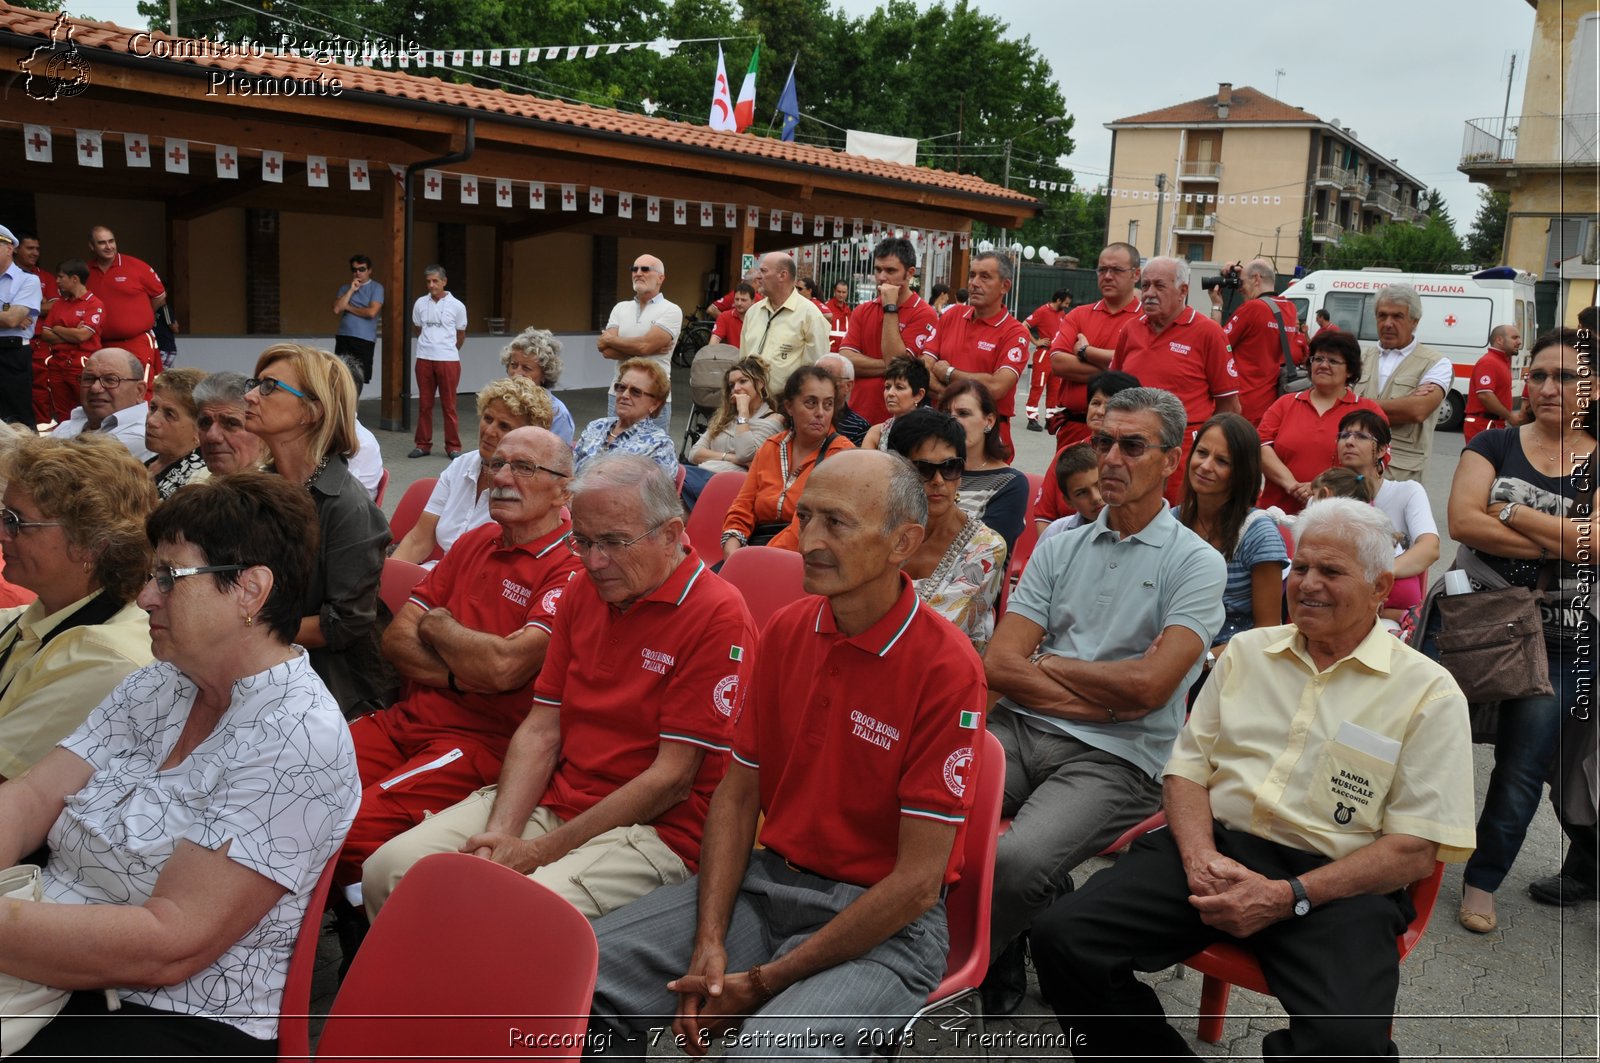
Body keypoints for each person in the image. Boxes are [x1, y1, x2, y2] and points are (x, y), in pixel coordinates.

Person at [1029, 497, 1476, 1061]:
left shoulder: (1429, 693)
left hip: (1337, 883)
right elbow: (1187, 772)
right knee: (1065, 939)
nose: (1307, 585)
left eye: (1331, 572)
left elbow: (1414, 851)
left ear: (1381, 587)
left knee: (1347, 1046)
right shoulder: (1245, 653)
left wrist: (1287, 896)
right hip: (1214, 850)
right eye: (1302, 568)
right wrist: (1198, 858)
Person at [586, 450, 986, 1057]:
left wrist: (763, 984)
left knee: (770, 1051)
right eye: (806, 517)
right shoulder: (788, 629)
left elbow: (916, 886)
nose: (810, 541)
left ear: (904, 541)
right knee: (581, 980)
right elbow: (738, 793)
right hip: (767, 884)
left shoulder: (947, 669)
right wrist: (709, 940)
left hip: (883, 924)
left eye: (837, 523)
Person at [0, 472, 359, 1056]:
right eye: (151, 574)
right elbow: (33, 796)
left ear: (250, 591)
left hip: (176, 1016)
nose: (145, 596)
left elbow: (168, 944)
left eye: (169, 577)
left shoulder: (296, 740)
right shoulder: (162, 682)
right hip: (55, 951)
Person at [362, 454, 755, 925]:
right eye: (583, 541)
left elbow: (671, 780)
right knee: (386, 871)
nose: (594, 561)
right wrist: (501, 838)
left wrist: (537, 852)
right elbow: (541, 729)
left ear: (671, 534)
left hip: (656, 829)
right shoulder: (583, 589)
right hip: (560, 796)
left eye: (613, 542)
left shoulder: (718, 615)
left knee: (503, 916)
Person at [979, 386, 1225, 1017]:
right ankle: (1006, 929)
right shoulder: (1061, 542)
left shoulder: (1196, 563)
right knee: (921, 803)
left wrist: (1051, 663)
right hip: (1025, 728)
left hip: (1117, 757)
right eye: (1103, 442)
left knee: (1016, 862)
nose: (1111, 458)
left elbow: (1151, 689)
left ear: (1173, 459)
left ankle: (967, 953)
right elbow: (1000, 661)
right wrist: (1099, 694)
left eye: (1132, 445)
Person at [336, 427, 583, 900]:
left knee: (347, 827)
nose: (502, 478)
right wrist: (460, 674)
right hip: (404, 721)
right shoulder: (478, 540)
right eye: (497, 464)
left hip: (476, 745)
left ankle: (362, 941)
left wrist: (440, 626)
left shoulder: (569, 569)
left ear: (563, 489)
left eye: (524, 468)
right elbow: (396, 640)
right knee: (293, 780)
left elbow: (504, 670)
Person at [1428, 327, 1595, 931]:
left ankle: (1482, 880)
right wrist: (1563, 538)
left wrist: (1512, 510)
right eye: (1540, 375)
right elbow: (1462, 522)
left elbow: (1598, 545)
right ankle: (1399, 857)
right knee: (1426, 743)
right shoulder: (1494, 443)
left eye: (1567, 376)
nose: (1550, 387)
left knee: (1523, 766)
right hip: (1477, 618)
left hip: (1561, 639)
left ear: (1594, 386)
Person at [245, 343, 391, 717]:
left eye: (268, 387)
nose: (249, 396)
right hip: (256, 660)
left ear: (312, 411)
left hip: (325, 683)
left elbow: (342, 625)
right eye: (254, 383)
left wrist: (243, 630)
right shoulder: (257, 487)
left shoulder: (348, 507)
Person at [0, 433, 155, 781]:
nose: (2, 534)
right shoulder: (49, 612)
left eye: (16, 521)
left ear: (91, 546)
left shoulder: (104, 656)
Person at [1111, 257, 1240, 502]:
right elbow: (1113, 392)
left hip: (1181, 457)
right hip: (1131, 450)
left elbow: (1229, 408)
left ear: (1183, 291)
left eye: (1159, 286)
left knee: (1179, 525)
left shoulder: (1208, 333)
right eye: (1146, 285)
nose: (1149, 293)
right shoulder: (1130, 330)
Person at [391, 377, 556, 566]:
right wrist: (386, 581)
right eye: (487, 418)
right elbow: (419, 540)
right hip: (435, 578)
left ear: (528, 437)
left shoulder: (528, 487)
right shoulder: (460, 465)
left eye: (504, 426)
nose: (489, 431)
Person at [886, 408, 1006, 653]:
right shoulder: (878, 526)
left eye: (950, 467)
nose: (939, 480)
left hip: (944, 671)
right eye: (924, 469)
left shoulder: (985, 547)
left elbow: (939, 632)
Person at [1174, 412, 1289, 655]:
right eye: (1202, 453)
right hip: (1169, 650)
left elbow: (1266, 633)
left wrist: (1201, 662)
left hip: (1230, 665)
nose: (1205, 466)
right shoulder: (1171, 521)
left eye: (1222, 461)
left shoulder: (1259, 533)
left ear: (1241, 472)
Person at [721, 364, 855, 556]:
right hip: (752, 547)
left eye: (828, 404)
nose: (820, 413)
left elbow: (808, 525)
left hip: (806, 556)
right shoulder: (771, 447)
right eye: (810, 403)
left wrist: (756, 560)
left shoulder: (842, 456)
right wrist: (732, 548)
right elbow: (742, 506)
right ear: (789, 407)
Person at [1258, 329, 1388, 516]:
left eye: (1333, 361)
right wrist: (1292, 485)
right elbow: (1261, 446)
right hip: (1277, 514)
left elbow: (1378, 462)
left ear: (1350, 370)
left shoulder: (1368, 411)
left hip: (1337, 518)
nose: (1323, 365)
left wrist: (1319, 487)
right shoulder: (1286, 404)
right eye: (1318, 359)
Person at [920, 251, 1031, 454]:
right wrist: (951, 397)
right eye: (972, 275)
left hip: (987, 439)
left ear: (1005, 286)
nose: (974, 283)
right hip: (940, 430)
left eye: (985, 276)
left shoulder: (1015, 332)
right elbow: (923, 367)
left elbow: (997, 386)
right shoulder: (951, 315)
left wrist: (948, 373)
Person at [1336, 409, 1439, 623]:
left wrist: (1374, 577)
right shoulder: (1325, 496)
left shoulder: (1407, 491)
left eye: (1361, 436)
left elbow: (1429, 548)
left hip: (1388, 606)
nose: (1349, 441)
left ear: (1382, 449)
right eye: (1344, 436)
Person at [1352, 284, 1452, 483]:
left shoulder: (1437, 363)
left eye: (1397, 316)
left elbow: (1417, 410)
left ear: (1414, 321)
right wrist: (1400, 405)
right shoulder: (1359, 357)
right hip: (1354, 471)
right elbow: (1333, 401)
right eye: (1382, 315)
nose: (1388, 323)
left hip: (1400, 474)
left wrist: (1354, 404)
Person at [1048, 243, 1143, 448]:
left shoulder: (1145, 320)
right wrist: (1117, 366)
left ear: (1136, 274)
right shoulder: (1079, 315)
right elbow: (1058, 364)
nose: (1107, 276)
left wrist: (1086, 352)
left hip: (1123, 434)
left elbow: (1141, 372)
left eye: (1116, 270)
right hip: (1074, 428)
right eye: (1102, 269)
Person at [840, 237, 938, 426]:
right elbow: (846, 361)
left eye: (890, 270)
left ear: (909, 273)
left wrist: (890, 307)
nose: (882, 277)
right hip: (857, 415)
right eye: (878, 269)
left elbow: (897, 366)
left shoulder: (924, 313)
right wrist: (887, 365)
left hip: (898, 422)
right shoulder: (863, 310)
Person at [1031, 369, 1141, 529]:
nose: (1099, 411)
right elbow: (1044, 516)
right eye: (1095, 403)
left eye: (1110, 405)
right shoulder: (1067, 453)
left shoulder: (1138, 459)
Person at [1209, 259, 1309, 426]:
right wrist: (1242, 273)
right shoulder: (1289, 309)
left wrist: (1217, 305)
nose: (1240, 288)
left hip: (1241, 403)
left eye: (1242, 283)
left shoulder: (1253, 309)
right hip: (1268, 403)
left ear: (1256, 279)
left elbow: (1216, 344)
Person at [938, 379, 1029, 553]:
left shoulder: (1010, 483)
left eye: (963, 413)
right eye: (946, 414)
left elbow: (987, 554)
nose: (952, 421)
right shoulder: (930, 470)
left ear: (989, 421)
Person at [680, 358, 783, 504]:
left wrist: (743, 412)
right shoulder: (725, 418)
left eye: (743, 381)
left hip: (730, 484)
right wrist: (729, 457)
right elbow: (694, 454)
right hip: (701, 475)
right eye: (732, 385)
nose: (736, 388)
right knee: (668, 480)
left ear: (760, 383)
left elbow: (745, 453)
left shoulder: (773, 419)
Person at [597, 254, 682, 432]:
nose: (638, 273)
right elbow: (605, 351)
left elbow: (643, 346)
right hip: (618, 394)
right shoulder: (620, 308)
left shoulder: (672, 310)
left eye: (645, 269)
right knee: (614, 452)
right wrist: (649, 350)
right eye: (634, 269)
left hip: (653, 397)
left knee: (650, 455)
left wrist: (612, 339)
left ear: (661, 278)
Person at [84, 225, 165, 388]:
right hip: (100, 345)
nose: (108, 246)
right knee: (108, 389)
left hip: (136, 342)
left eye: (111, 241)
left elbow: (160, 297)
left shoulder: (137, 266)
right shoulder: (85, 271)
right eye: (102, 243)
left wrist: (140, 317)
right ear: (91, 246)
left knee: (140, 388)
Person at [739, 253, 829, 394]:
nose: (758, 276)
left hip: (787, 407)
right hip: (751, 402)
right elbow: (742, 360)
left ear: (782, 275)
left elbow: (815, 372)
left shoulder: (810, 315)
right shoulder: (753, 312)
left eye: (764, 271)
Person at [574, 358, 679, 478]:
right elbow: (569, 472)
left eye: (635, 392)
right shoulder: (596, 426)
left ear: (655, 404)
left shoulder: (659, 445)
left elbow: (656, 494)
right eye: (621, 387)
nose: (624, 395)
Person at [408, 264, 469, 459]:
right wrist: (430, 346)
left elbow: (460, 335)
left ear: (444, 281)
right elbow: (418, 329)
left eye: (435, 281)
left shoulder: (457, 306)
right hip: (424, 358)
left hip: (448, 360)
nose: (431, 285)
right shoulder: (420, 303)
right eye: (428, 282)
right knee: (424, 404)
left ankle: (453, 447)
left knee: (449, 405)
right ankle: (423, 444)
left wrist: (446, 349)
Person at [51, 348, 154, 462]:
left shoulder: (143, 436)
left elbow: (72, 469)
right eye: (88, 379)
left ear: (139, 391)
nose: (95, 388)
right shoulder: (68, 425)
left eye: (110, 380)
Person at [35, 259, 102, 424]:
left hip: (83, 365)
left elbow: (82, 336)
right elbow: (45, 333)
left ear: (75, 279)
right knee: (63, 415)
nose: (56, 281)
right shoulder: (59, 304)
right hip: (58, 364)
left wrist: (58, 328)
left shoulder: (94, 303)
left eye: (60, 277)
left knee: (90, 410)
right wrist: (72, 331)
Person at [143, 367, 210, 500]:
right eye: (153, 408)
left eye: (169, 414)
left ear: (199, 426)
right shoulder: (146, 465)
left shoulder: (200, 482)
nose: (151, 420)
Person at [501, 326, 576, 444]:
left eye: (526, 368)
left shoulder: (557, 413)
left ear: (545, 373)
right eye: (513, 365)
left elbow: (558, 458)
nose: (517, 373)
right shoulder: (501, 400)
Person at [0, 225, 43, 427]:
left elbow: (12, 320)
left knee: (17, 418)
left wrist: (11, 317)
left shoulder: (28, 280)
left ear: (10, 248)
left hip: (12, 352)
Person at [13, 233, 58, 426]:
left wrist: (24, 310)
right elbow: (5, 308)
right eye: (30, 248)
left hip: (40, 342)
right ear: (15, 249)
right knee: (14, 387)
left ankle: (42, 427)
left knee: (41, 386)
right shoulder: (7, 274)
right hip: (12, 341)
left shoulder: (45, 276)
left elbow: (56, 306)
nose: (35, 253)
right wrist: (37, 304)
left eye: (37, 249)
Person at [193, 371, 265, 477]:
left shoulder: (281, 490)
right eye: (205, 423)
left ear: (264, 435)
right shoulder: (198, 479)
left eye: (231, 424)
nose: (211, 436)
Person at [332, 253, 384, 394]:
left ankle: (352, 411)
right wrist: (351, 290)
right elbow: (337, 308)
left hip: (364, 340)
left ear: (369, 270)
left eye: (362, 269)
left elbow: (371, 312)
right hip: (344, 337)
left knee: (358, 378)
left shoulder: (376, 288)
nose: (358, 273)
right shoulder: (345, 288)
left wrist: (348, 307)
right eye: (354, 270)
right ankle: (341, 409)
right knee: (339, 376)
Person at [1464, 323, 1524, 442]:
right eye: (1514, 338)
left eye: (1519, 338)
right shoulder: (1489, 362)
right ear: (1499, 340)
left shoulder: (1501, 361)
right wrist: (1510, 416)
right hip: (1484, 424)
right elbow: (1485, 395)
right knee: (1481, 460)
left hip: (1493, 424)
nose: (1519, 342)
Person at [1024, 288, 1073, 430]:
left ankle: (1050, 418)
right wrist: (1036, 342)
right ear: (1058, 300)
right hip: (1044, 354)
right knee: (1038, 386)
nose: (1067, 306)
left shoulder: (1061, 313)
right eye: (1066, 303)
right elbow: (1024, 325)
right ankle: (1032, 418)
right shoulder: (1042, 311)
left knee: (1055, 388)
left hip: (1055, 354)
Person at [1036, 443, 1104, 545]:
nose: (1095, 498)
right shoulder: (1056, 533)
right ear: (1068, 501)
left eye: (1099, 485)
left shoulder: (1131, 532)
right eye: (1082, 493)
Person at [861, 355, 930, 452]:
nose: (890, 393)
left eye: (899, 387)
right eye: (887, 387)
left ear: (919, 395)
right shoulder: (877, 432)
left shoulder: (932, 431)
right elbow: (865, 465)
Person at [816, 353, 871, 445]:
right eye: (817, 377)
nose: (821, 384)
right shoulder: (799, 417)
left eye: (829, 378)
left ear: (848, 386)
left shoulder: (859, 428)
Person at [709, 283, 754, 348]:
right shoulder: (725, 316)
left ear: (752, 301)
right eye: (737, 299)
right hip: (732, 356)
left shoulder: (759, 317)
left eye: (743, 300)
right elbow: (714, 340)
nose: (739, 303)